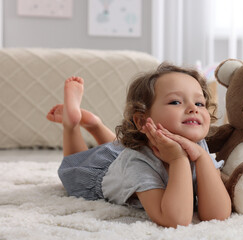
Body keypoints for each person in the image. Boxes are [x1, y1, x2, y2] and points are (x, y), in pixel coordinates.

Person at [46, 63, 231, 228]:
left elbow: (218, 214)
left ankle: (95, 125)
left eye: (199, 102)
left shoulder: (197, 145)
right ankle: (71, 126)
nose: (194, 108)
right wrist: (178, 159)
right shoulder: (138, 162)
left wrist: (201, 157)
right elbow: (176, 220)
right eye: (176, 102)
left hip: (121, 156)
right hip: (105, 171)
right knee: (77, 165)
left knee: (118, 148)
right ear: (142, 121)